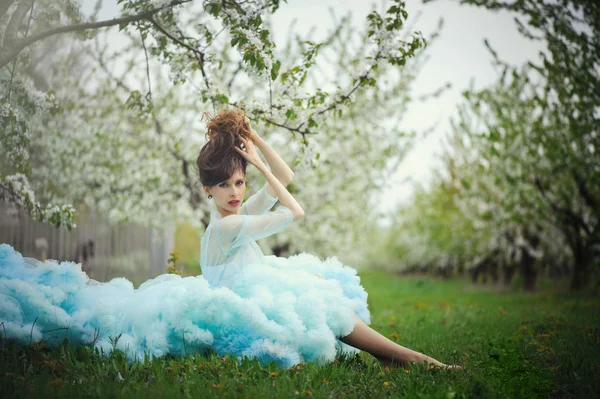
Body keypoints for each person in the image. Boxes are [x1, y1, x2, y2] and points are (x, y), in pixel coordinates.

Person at [196, 109, 462, 371]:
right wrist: (259, 166)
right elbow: (296, 212)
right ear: (208, 189)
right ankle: (405, 357)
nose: (234, 192)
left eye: (240, 183)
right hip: (243, 311)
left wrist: (253, 138)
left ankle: (391, 356)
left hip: (247, 295)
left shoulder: (234, 215)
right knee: (316, 292)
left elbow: (285, 177)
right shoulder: (228, 226)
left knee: (317, 283)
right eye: (224, 185)